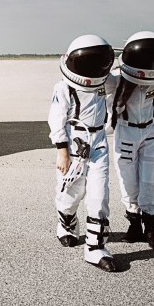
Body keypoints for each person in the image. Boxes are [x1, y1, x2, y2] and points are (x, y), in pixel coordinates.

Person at [47, 35, 118, 272]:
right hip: (75, 142)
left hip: (98, 142)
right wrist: (62, 152)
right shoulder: (64, 87)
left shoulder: (102, 81)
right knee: (71, 192)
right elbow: (56, 120)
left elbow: (120, 83)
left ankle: (95, 247)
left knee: (99, 193)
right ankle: (66, 222)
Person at [105, 31, 154, 250]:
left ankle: (150, 228)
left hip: (149, 132)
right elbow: (93, 79)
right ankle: (134, 224)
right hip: (126, 132)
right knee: (128, 181)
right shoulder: (117, 80)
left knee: (148, 180)